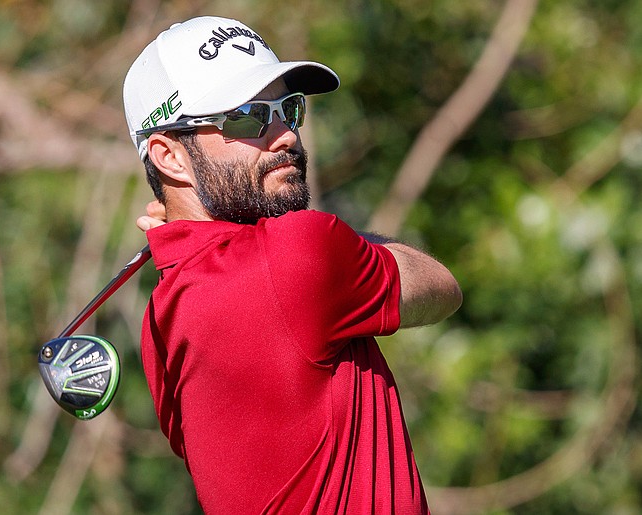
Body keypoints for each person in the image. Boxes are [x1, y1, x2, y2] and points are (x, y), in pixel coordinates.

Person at [123, 15, 462, 514]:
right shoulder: (302, 252)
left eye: (289, 109)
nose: (284, 136)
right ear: (170, 158)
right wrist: (345, 246)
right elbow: (443, 287)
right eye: (246, 116)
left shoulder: (160, 321)